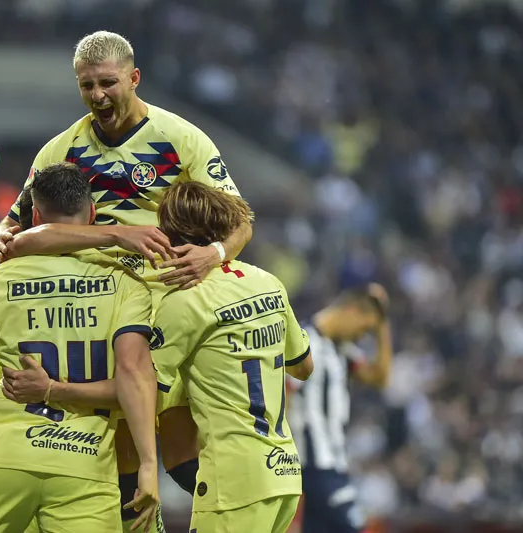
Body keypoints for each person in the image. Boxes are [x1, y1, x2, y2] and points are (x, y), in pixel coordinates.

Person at [0, 30, 252, 530]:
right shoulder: (61, 149)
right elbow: (17, 217)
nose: (98, 96)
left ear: (133, 78)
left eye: (108, 83)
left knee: (160, 429)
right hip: (88, 307)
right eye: (87, 86)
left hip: (163, 299)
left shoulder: (181, 138)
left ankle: (240, 507)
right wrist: (2, 234)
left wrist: (212, 254)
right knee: (116, 437)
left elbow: (241, 221)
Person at [0, 162, 160, 533]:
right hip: (85, 466)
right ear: (92, 212)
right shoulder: (125, 283)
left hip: (5, 460)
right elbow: (134, 379)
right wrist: (149, 466)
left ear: (36, 215)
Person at [150, 181, 314, 533]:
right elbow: (304, 366)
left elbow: (141, 393)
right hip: (283, 473)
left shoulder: (183, 301)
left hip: (234, 481)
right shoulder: (268, 282)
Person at [287, 284, 393, 533]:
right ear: (351, 310)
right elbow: (283, 397)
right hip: (313, 467)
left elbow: (380, 377)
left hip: (334, 464)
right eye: (365, 328)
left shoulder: (342, 349)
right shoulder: (302, 341)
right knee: (361, 528)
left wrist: (382, 324)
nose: (362, 336)